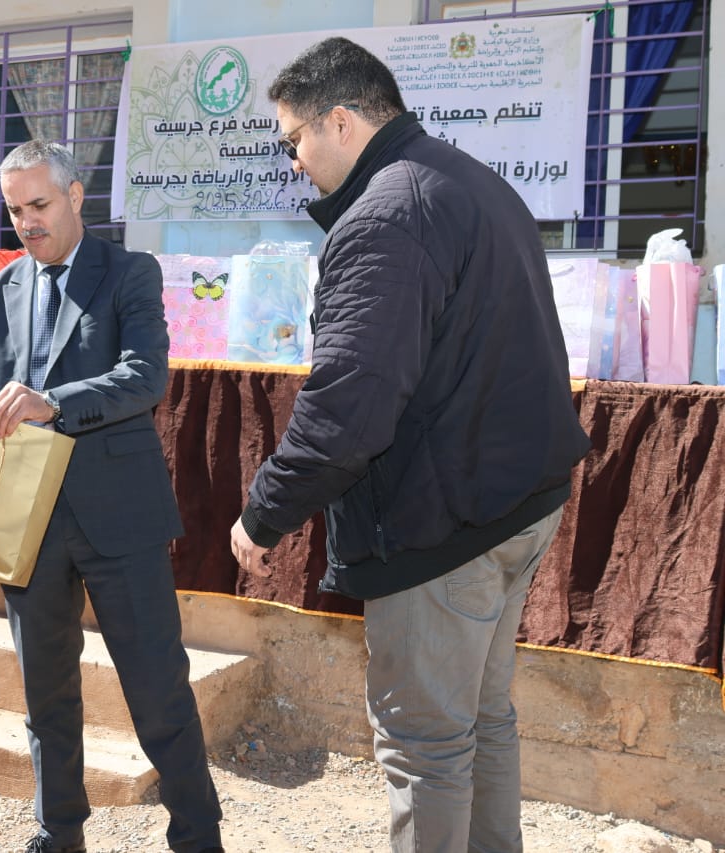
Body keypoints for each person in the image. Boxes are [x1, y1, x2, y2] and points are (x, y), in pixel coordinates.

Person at [229, 37, 591, 853]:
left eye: (294, 140)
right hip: (514, 500)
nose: (293, 161)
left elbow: (349, 408)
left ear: (342, 122)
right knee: (480, 718)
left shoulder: (387, 214)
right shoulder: (468, 180)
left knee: (426, 743)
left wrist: (264, 511)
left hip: (445, 523)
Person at [0, 139, 223, 853]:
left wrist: (54, 402)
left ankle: (198, 835)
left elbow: (146, 376)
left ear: (76, 197)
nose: (27, 222)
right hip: (23, 522)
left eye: (39, 205)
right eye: (15, 210)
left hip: (118, 513)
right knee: (45, 691)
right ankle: (58, 830)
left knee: (157, 687)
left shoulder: (130, 271)